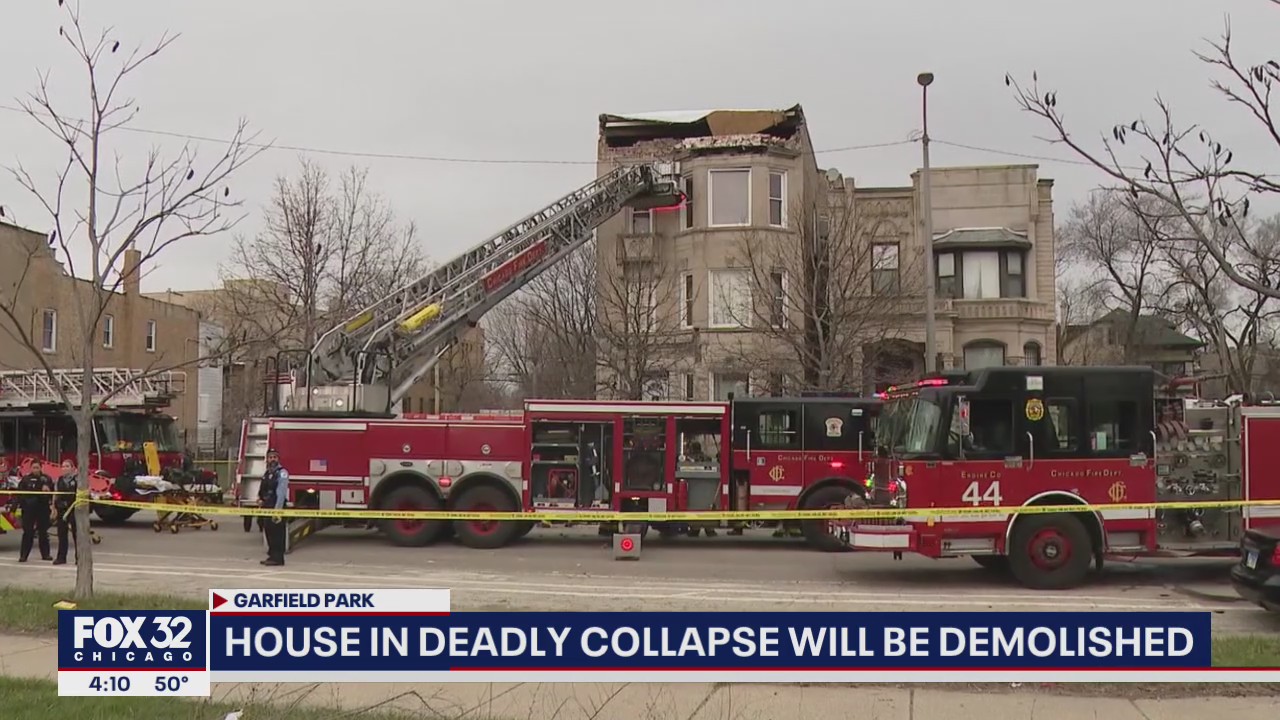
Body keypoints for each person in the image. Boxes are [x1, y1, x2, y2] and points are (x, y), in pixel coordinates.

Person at [258, 448, 289, 566]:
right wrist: (260, 499)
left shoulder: (282, 473)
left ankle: (278, 558)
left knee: (277, 534)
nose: (272, 459)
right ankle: (271, 555)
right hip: (267, 507)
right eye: (270, 457)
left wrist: (277, 511)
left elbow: (281, 493)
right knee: (269, 532)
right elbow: (263, 489)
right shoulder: (267, 473)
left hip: (276, 507)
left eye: (275, 457)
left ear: (278, 459)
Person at [17, 464, 53, 562]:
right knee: (28, 532)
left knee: (43, 532)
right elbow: (19, 494)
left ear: (41, 468)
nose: (36, 470)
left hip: (42, 509)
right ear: (31, 468)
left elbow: (52, 493)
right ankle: (24, 555)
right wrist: (14, 507)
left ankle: (46, 554)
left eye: (37, 467)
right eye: (34, 467)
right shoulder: (25, 479)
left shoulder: (46, 479)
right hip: (29, 509)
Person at [53, 459, 79, 566]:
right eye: (63, 466)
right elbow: (55, 494)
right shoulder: (59, 480)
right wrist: (53, 508)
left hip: (74, 509)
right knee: (62, 534)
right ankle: (61, 557)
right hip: (62, 510)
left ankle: (79, 557)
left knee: (76, 535)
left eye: (67, 466)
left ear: (73, 468)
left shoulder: (78, 480)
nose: (64, 468)